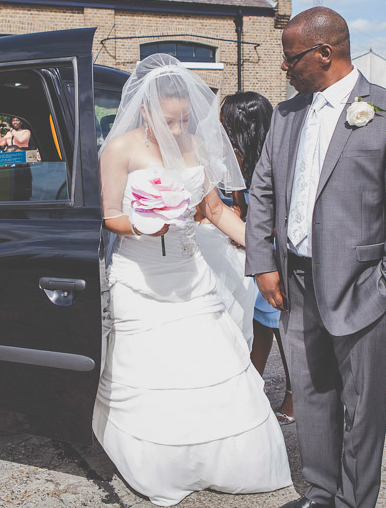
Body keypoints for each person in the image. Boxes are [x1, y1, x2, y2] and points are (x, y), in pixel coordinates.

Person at [245, 7, 386, 508]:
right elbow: (262, 191)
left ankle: (355, 501)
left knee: (362, 407)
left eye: (291, 58)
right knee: (310, 395)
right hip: (295, 284)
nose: (284, 68)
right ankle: (321, 493)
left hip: (362, 287)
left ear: (325, 53)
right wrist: (264, 263)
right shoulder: (286, 115)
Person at [94, 54, 291, 506]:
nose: (180, 129)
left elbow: (217, 211)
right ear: (145, 111)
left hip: (189, 273)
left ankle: (218, 459)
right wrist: (143, 224)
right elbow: (111, 216)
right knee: (149, 369)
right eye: (170, 120)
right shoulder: (120, 148)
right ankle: (163, 462)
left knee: (209, 362)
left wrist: (266, 253)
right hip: (139, 275)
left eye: (185, 119)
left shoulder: (196, 149)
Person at [220, 91, 295, 426]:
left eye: (226, 123)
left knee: (282, 328)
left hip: (274, 255)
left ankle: (296, 396)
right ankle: (254, 384)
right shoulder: (233, 159)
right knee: (259, 323)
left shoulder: (278, 159)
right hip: (245, 254)